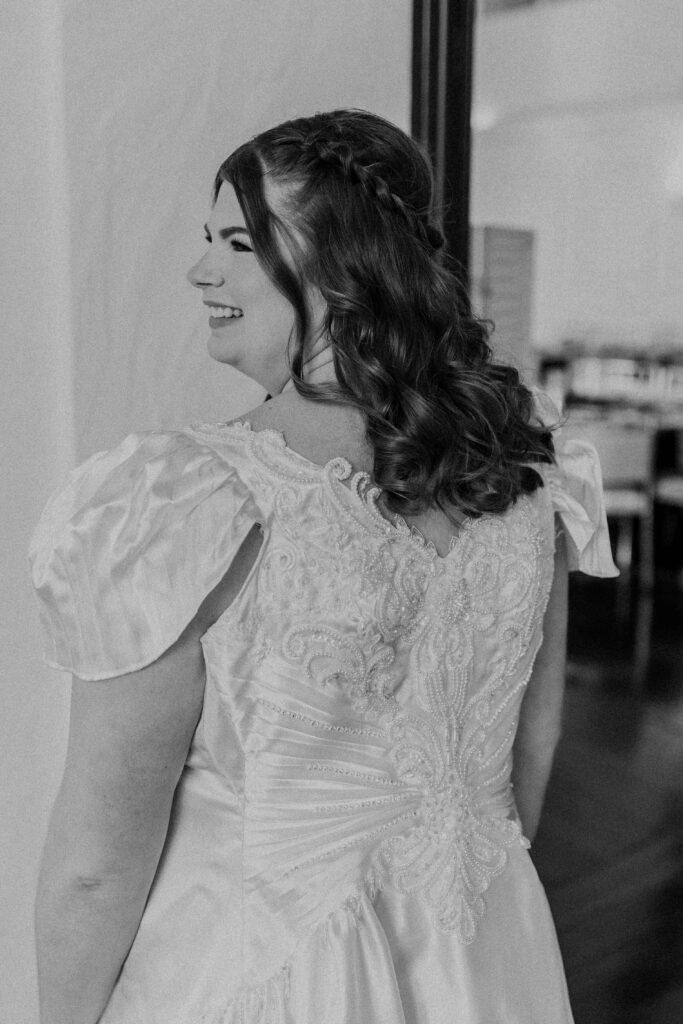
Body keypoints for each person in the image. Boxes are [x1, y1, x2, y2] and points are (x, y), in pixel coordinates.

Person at [29, 109, 617, 1024]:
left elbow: (97, 868)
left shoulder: (181, 502)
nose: (201, 270)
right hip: (482, 955)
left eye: (238, 240)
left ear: (340, 267)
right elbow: (522, 772)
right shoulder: (530, 475)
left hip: (261, 970)